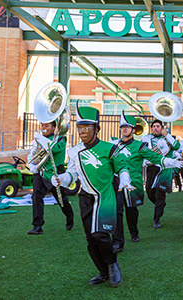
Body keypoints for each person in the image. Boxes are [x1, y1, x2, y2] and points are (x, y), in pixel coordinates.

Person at [52, 103, 133, 287]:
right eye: (79, 127)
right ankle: (103, 272)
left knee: (100, 235)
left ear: (97, 128)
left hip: (105, 196)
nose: (82, 131)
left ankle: (113, 264)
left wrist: (125, 179)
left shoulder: (109, 148)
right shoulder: (75, 152)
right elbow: (72, 175)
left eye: (86, 127)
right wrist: (61, 179)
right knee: (90, 240)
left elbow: (122, 166)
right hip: (86, 198)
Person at [111, 112, 183, 250]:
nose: (124, 129)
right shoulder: (115, 145)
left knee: (131, 212)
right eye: (122, 127)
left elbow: (154, 157)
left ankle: (134, 232)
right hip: (118, 183)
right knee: (117, 212)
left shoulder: (139, 146)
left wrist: (170, 162)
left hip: (133, 183)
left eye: (127, 127)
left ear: (133, 129)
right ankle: (118, 241)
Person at [26, 121, 74, 235]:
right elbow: (33, 154)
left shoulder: (61, 138)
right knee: (36, 197)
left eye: (46, 126)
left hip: (55, 171)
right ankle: (37, 226)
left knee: (60, 198)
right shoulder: (38, 139)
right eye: (42, 125)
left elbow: (55, 149)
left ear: (53, 128)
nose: (43, 127)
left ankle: (69, 215)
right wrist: (32, 164)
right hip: (41, 171)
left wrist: (41, 140)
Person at [142, 119, 182, 229]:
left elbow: (178, 146)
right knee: (150, 192)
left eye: (158, 126)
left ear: (162, 128)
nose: (155, 128)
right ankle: (161, 205)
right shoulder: (146, 139)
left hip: (164, 169)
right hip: (151, 168)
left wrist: (167, 135)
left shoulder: (168, 138)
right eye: (153, 126)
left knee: (160, 194)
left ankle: (156, 218)